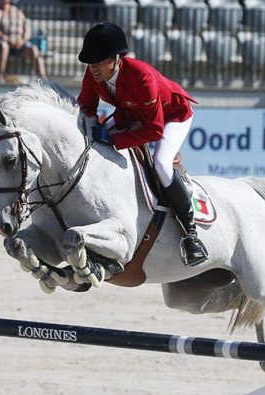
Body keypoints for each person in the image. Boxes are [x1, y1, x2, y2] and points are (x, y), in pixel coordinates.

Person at [75, 23, 207, 267]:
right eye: (90, 62)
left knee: (161, 163)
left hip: (172, 117)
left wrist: (114, 139)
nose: (92, 67)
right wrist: (91, 127)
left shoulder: (141, 75)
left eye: (98, 62)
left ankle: (191, 235)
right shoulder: (93, 74)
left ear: (115, 59)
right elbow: (86, 106)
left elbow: (154, 129)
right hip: (134, 115)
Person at [0, 0, 45, 83]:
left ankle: (43, 79)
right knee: (3, 46)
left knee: (34, 49)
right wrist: (6, 38)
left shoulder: (18, 11)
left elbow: (26, 29)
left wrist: (22, 40)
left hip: (20, 44)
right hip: (3, 42)